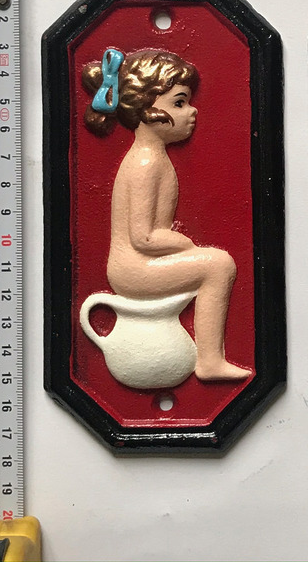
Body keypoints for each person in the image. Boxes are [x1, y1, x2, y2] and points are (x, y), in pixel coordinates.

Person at [83, 47, 250, 381]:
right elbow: (144, 237)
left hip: (141, 261)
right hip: (133, 267)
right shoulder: (146, 163)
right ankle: (209, 360)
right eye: (179, 103)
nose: (192, 111)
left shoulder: (153, 157)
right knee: (218, 265)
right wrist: (185, 245)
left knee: (214, 262)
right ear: (146, 110)